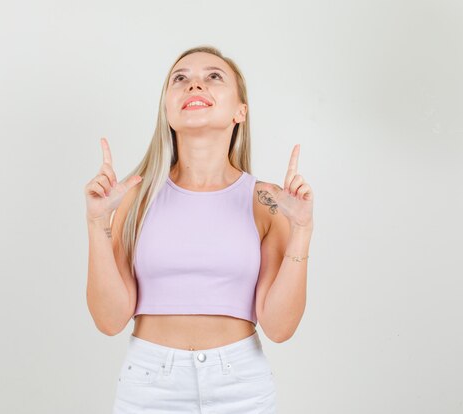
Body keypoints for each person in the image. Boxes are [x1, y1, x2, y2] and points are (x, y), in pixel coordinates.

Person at [85, 45, 314, 413]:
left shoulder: (267, 202)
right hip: (149, 386)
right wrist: (98, 224)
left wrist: (301, 229)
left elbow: (279, 328)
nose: (195, 86)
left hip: (241, 386)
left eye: (213, 77)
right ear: (167, 108)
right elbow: (109, 320)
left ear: (241, 110)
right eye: (181, 79)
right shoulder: (135, 196)